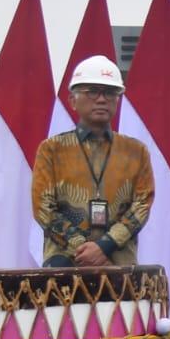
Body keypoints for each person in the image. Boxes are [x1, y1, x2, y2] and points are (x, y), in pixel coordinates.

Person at [32, 56, 154, 268]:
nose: (101, 99)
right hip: (64, 261)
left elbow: (142, 204)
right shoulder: (51, 149)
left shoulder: (136, 151)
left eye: (109, 93)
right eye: (92, 92)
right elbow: (43, 208)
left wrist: (104, 247)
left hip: (118, 261)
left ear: (117, 100)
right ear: (72, 101)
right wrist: (83, 249)